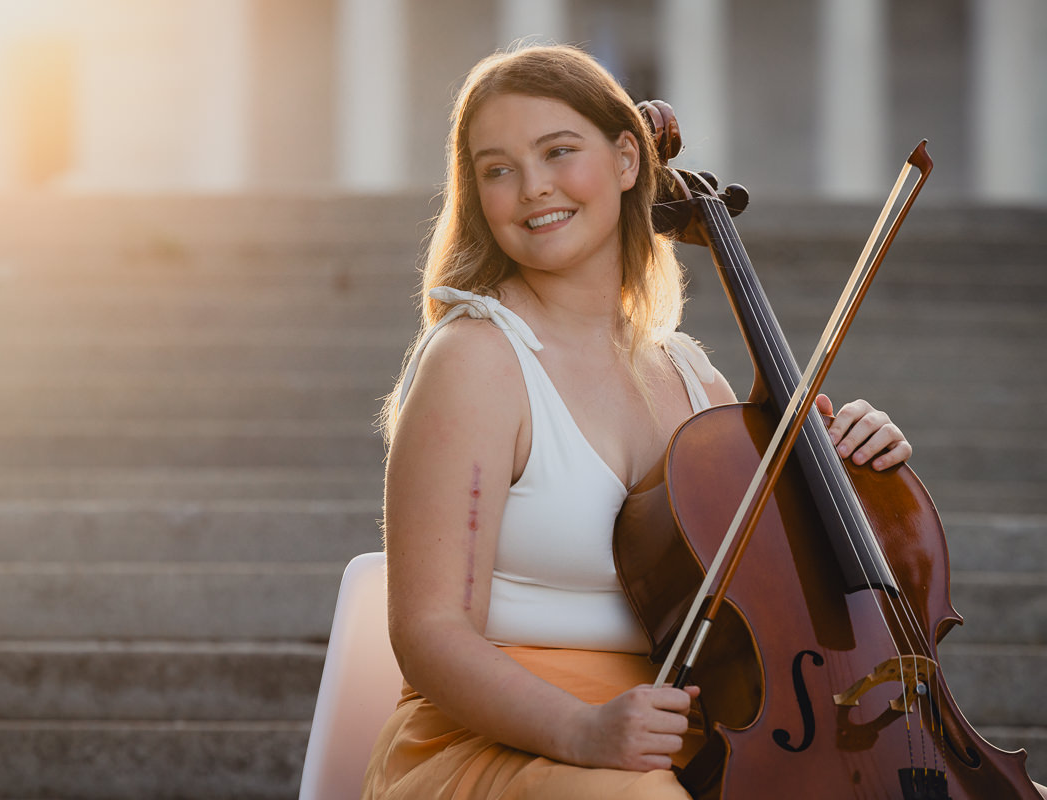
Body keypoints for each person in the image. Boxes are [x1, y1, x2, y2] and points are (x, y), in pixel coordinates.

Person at [361, 44, 915, 799]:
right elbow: (429, 633)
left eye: (560, 152)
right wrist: (582, 730)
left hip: (695, 732)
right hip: (498, 741)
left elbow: (791, 584)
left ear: (628, 160)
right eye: (498, 169)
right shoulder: (476, 359)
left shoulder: (692, 376)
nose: (532, 189)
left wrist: (857, 464)